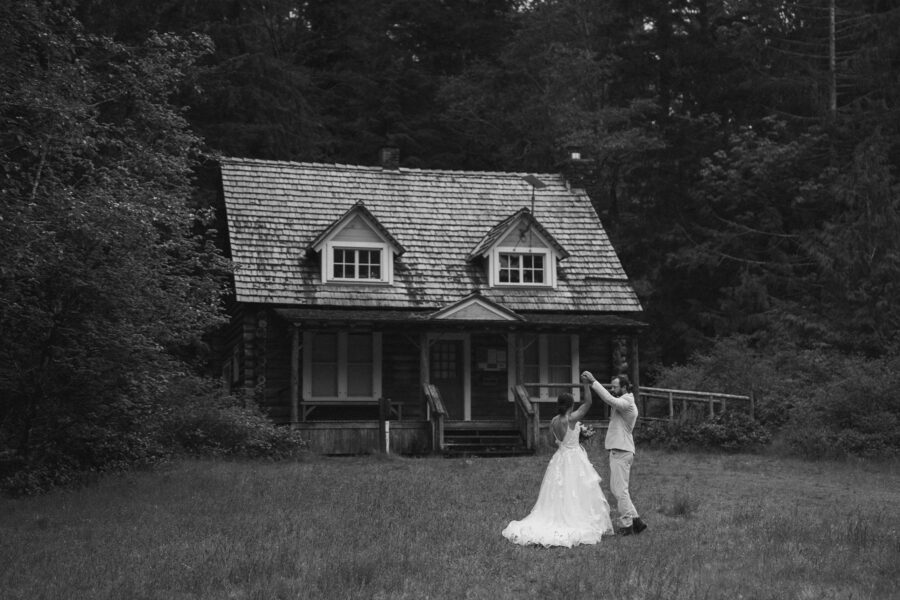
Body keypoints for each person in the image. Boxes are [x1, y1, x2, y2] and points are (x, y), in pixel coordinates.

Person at [501, 391, 614, 547]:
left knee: (559, 490)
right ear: (571, 405)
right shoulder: (571, 419)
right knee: (576, 488)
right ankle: (575, 517)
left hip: (560, 458)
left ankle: (558, 514)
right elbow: (588, 403)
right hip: (574, 458)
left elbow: (550, 442)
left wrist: (565, 443)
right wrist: (587, 384)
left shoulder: (554, 421)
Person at [580, 371, 648, 536]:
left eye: (615, 387)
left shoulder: (627, 401)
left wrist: (594, 381)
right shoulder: (625, 401)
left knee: (619, 490)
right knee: (618, 489)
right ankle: (637, 521)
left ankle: (627, 525)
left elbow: (609, 399)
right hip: (621, 450)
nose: (612, 389)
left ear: (624, 388)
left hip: (622, 450)